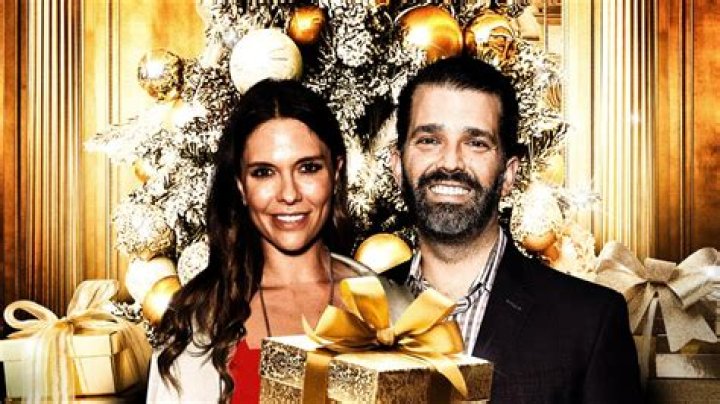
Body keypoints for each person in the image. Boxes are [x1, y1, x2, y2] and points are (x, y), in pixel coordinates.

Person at [383, 56, 642, 403]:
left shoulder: (589, 322)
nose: (450, 162)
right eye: (429, 140)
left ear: (508, 174)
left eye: (476, 143)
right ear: (397, 166)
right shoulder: (352, 307)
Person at [146, 79, 365, 403]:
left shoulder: (388, 306)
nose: (289, 194)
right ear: (240, 185)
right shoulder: (196, 325)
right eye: (264, 172)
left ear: (335, 171)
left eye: (308, 168)